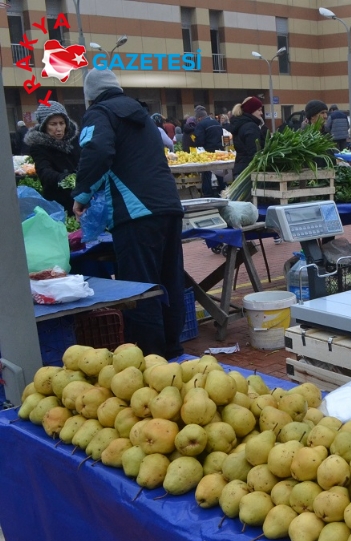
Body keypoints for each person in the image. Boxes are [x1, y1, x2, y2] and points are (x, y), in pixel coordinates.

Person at [72, 68, 185, 358]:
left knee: (140, 288)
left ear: (90, 97)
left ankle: (150, 357)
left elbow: (97, 152)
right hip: (169, 206)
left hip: (136, 212)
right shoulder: (140, 114)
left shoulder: (99, 113)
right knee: (169, 279)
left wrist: (81, 194)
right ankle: (173, 348)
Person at [24, 101, 81, 214]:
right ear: (44, 126)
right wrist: (65, 178)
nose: (59, 128)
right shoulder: (38, 147)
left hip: (81, 198)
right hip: (58, 202)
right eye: (53, 124)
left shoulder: (75, 141)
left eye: (62, 123)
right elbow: (44, 171)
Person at [226, 97, 265, 180]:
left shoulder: (241, 124)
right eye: (259, 110)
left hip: (240, 169)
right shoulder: (250, 127)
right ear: (251, 110)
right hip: (248, 172)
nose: (261, 113)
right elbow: (254, 152)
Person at [194, 105, 226, 195]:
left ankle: (208, 192)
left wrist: (196, 144)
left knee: (206, 172)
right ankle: (223, 189)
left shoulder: (201, 124)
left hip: (208, 151)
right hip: (219, 150)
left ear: (199, 117)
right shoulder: (216, 122)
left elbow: (199, 140)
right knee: (219, 171)